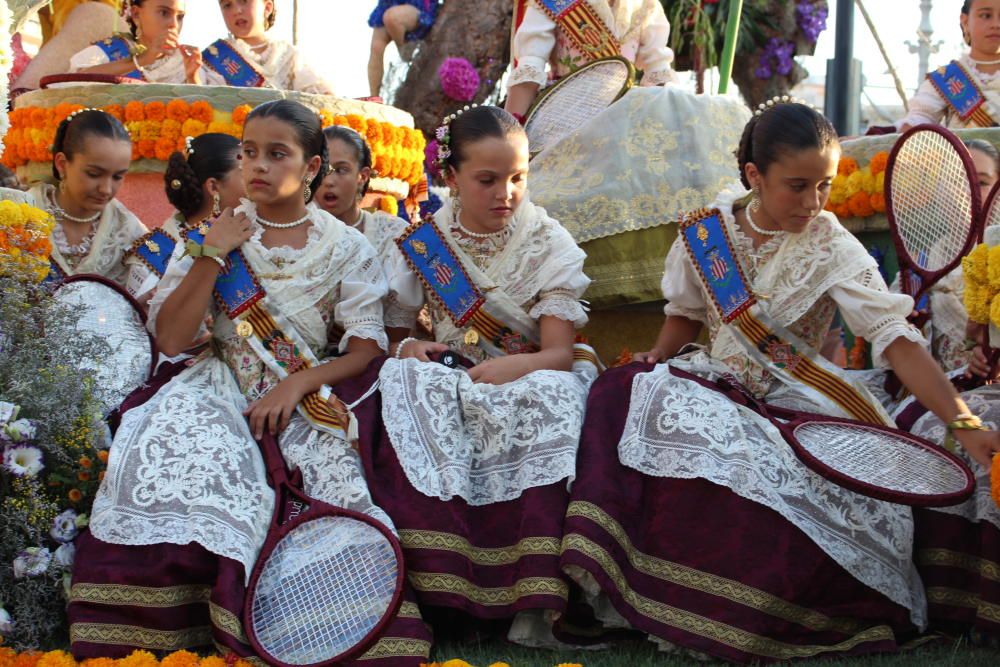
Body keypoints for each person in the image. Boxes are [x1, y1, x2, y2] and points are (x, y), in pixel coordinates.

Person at [559, 102, 1000, 662]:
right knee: (624, 392)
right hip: (713, 381)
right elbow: (687, 314)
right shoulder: (707, 231)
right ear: (753, 176)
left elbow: (897, 341)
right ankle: (636, 594)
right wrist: (657, 356)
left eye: (825, 186)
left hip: (796, 399)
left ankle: (744, 613)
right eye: (797, 186)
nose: (814, 203)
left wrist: (962, 423)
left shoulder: (831, 245)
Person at [68, 100, 431, 666]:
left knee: (331, 473)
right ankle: (163, 630)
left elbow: (366, 349)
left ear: (312, 168)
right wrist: (215, 254)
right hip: (215, 380)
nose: (258, 166)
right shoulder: (213, 233)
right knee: (175, 454)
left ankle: (317, 627)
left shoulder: (346, 246)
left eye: (277, 154)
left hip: (301, 386)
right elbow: (170, 338)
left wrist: (295, 385)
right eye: (249, 152)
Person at [343, 105, 599, 645]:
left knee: (547, 400)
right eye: (487, 180)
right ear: (451, 177)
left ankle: (535, 605)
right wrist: (412, 345)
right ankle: (442, 596)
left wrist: (514, 367)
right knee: (406, 387)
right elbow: (394, 336)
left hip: (532, 371)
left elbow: (558, 353)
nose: (505, 193)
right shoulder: (424, 244)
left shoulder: (549, 243)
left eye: (517, 178)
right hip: (454, 375)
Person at [505, 0, 749, 306]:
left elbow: (659, 74)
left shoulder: (645, 5)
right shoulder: (554, 3)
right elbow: (529, 69)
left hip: (627, 122)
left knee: (705, 113)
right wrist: (510, 132)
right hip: (569, 118)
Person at [316, 126, 420, 342]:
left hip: (375, 361)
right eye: (321, 169)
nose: (328, 180)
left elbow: (397, 328)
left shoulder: (392, 234)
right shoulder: (291, 231)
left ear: (362, 176)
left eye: (341, 169)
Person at [23, 109, 148, 287]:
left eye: (117, 177)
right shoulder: (20, 216)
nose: (105, 189)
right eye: (94, 174)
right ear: (62, 164)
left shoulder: (129, 232)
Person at [123, 133, 247, 302]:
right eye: (245, 172)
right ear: (213, 187)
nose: (256, 179)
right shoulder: (152, 259)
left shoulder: (255, 233)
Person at [898, 0, 1000, 130]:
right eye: (986, 15)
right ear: (965, 22)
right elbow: (920, 119)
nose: (996, 24)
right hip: (964, 151)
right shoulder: (947, 78)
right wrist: (905, 128)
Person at [202, 0, 335, 94]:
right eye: (227, 5)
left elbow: (321, 97)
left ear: (267, 8)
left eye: (244, 1)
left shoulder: (290, 55)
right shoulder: (214, 58)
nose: (236, 10)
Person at [68, 0, 204, 84]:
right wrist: (141, 60)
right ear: (136, 14)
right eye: (164, 13)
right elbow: (73, 82)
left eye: (180, 17)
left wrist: (192, 77)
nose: (174, 24)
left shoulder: (184, 63)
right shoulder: (111, 51)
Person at [367, 0, 440, 97]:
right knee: (376, 47)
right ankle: (374, 97)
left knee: (391, 17)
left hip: (417, 6)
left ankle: (405, 51)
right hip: (389, 4)